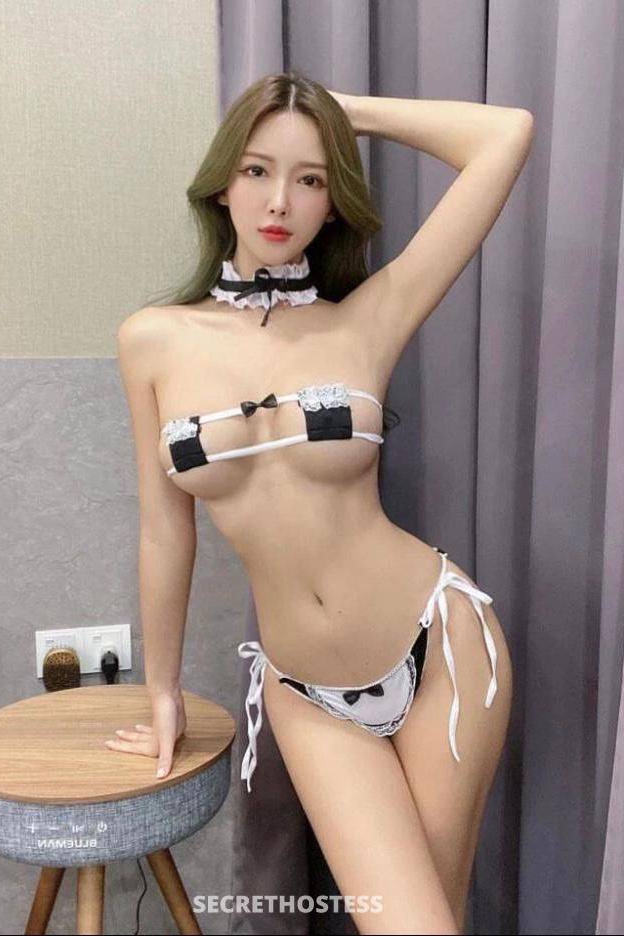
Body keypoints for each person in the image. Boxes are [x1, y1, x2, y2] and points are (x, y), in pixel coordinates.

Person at [107, 71, 532, 934]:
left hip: (439, 645)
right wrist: (162, 690)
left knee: (429, 920)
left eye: (311, 178)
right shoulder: (153, 340)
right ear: (221, 183)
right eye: (258, 169)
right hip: (304, 691)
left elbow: (505, 136)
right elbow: (165, 532)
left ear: (333, 201)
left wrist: (341, 114)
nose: (280, 201)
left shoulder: (368, 318)